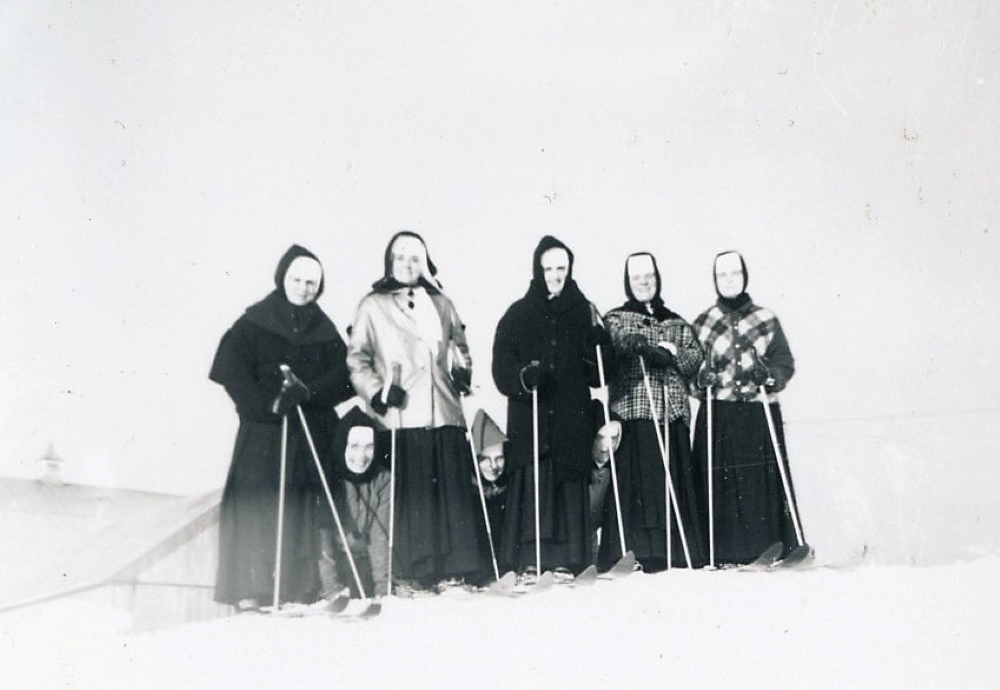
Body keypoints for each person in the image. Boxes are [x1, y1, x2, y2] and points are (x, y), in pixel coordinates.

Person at [209, 244, 356, 611]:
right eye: (297, 279)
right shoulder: (255, 321)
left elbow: (344, 375)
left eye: (312, 282)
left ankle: (301, 588)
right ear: (282, 277)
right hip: (265, 431)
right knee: (259, 506)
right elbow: (230, 367)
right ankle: (253, 590)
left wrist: (309, 393)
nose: (304, 287)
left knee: (304, 508)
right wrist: (265, 403)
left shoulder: (324, 328)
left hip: (308, 429)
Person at [347, 231, 480, 595]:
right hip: (402, 413)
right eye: (401, 256)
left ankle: (454, 572)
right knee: (413, 497)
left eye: (415, 257)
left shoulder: (441, 302)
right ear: (390, 261)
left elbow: (461, 348)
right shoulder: (373, 305)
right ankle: (412, 574)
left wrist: (462, 369)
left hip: (444, 410)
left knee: (450, 495)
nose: (408, 264)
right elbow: (357, 359)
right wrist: (377, 392)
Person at [492, 235, 611, 581]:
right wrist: (523, 376)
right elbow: (501, 367)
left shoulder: (586, 310)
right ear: (537, 270)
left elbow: (599, 374)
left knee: (566, 483)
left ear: (570, 269)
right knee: (534, 482)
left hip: (570, 421)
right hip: (531, 420)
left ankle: (567, 561)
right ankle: (530, 561)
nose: (554, 275)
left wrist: (599, 346)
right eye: (547, 268)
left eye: (561, 268)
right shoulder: (517, 313)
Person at [690, 250, 800, 565]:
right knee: (722, 480)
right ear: (715, 280)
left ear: (745, 276)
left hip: (757, 409)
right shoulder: (704, 321)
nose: (729, 280)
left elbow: (784, 361)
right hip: (720, 412)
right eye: (723, 275)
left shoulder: (765, 318)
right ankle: (724, 552)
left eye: (735, 273)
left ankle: (769, 547)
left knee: (759, 481)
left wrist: (771, 375)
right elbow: (690, 369)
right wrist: (702, 379)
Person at [601, 252, 706, 572]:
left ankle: (676, 551)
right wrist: (630, 344)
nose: (644, 283)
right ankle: (632, 552)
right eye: (637, 278)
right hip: (634, 410)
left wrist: (671, 354)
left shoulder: (676, 322)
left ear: (657, 279)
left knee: (671, 479)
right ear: (628, 283)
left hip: (670, 411)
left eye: (648, 277)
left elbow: (694, 359)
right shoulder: (617, 318)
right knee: (637, 485)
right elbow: (610, 347)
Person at [317, 406, 390, 600]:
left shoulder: (383, 478)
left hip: (364, 561)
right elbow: (322, 537)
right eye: (354, 446)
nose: (361, 456)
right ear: (343, 445)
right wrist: (331, 587)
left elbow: (380, 535)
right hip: (333, 566)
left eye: (369, 447)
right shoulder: (328, 477)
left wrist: (383, 588)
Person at [468, 409, 510, 585]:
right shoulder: (467, 490)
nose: (493, 467)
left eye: (499, 459)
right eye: (485, 459)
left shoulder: (510, 488)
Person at [587, 404, 622, 567]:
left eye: (613, 439)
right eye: (601, 438)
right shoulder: (583, 469)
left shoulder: (616, 470)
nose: (607, 446)